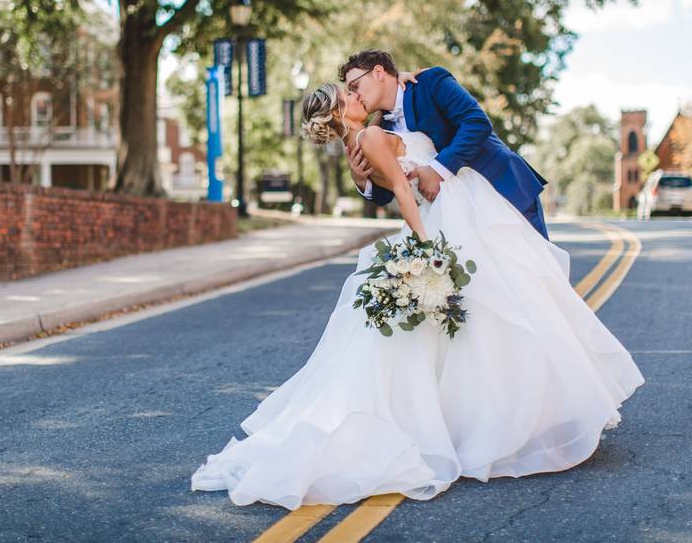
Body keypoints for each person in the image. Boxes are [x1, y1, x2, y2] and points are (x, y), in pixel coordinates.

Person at [189, 80, 644, 511]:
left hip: (462, 211)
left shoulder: (369, 134)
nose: (355, 92)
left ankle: (496, 420)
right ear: (338, 111)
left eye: (355, 84)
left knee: (493, 317)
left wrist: (399, 79)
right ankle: (499, 424)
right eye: (348, 92)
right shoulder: (366, 137)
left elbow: (399, 151)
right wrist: (429, 251)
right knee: (493, 317)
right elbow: (404, 193)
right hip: (446, 220)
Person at [342, 50, 550, 239]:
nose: (354, 95)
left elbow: (476, 123)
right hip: (458, 220)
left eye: (354, 86)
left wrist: (437, 170)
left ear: (378, 72)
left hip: (501, 187)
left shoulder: (429, 82)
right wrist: (361, 180)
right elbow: (391, 192)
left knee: (538, 274)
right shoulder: (380, 130)